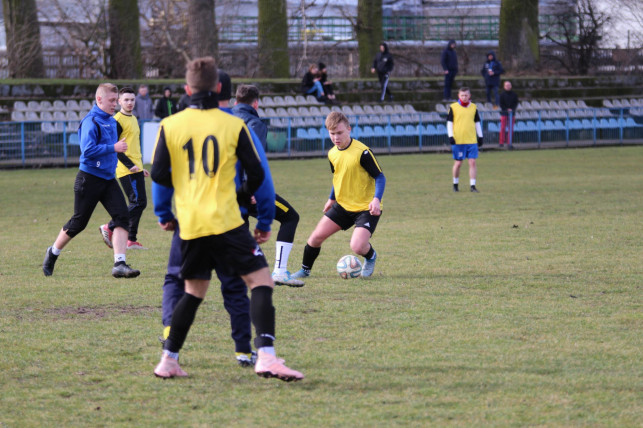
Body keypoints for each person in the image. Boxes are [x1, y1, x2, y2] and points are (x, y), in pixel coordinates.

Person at [151, 57, 303, 381]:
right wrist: (263, 220)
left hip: (191, 226)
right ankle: (266, 356)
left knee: (193, 291)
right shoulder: (234, 125)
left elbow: (160, 176)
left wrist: (164, 214)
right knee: (260, 281)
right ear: (219, 87)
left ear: (187, 89)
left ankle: (168, 360)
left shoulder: (170, 125)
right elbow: (259, 176)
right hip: (227, 223)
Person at [42, 83, 140, 279]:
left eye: (116, 100)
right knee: (79, 222)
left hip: (108, 179)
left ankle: (119, 264)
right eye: (111, 100)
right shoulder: (91, 121)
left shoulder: (111, 121)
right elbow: (87, 150)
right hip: (89, 179)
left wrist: (131, 165)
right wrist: (113, 148)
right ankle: (53, 252)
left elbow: (116, 149)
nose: (115, 104)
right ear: (99, 99)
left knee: (122, 217)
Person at [292, 111, 386, 280]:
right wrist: (331, 199)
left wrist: (376, 200)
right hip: (343, 205)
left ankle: (370, 256)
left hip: (366, 207)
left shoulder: (362, 152)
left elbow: (380, 177)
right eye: (332, 133)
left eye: (340, 132)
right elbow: (338, 177)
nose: (336, 137)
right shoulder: (332, 153)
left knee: (357, 247)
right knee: (315, 237)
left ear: (349, 129)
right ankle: (305, 271)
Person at [232, 84, 305, 287]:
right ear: (256, 104)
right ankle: (279, 272)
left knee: (240, 230)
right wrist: (251, 188)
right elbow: (253, 159)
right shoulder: (254, 124)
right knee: (290, 217)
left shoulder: (224, 120)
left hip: (224, 190)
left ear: (235, 101)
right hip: (247, 189)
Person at [99, 87, 149, 251]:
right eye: (126, 100)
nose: (129, 103)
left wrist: (140, 167)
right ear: (119, 101)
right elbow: (115, 147)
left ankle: (131, 239)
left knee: (140, 203)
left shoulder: (134, 118)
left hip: (136, 168)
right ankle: (110, 226)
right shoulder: (117, 121)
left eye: (132, 100)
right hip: (126, 170)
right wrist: (130, 165)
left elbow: (133, 145)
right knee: (137, 202)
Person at [447, 87, 484, 193]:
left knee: (472, 162)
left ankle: (473, 186)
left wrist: (480, 136)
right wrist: (451, 136)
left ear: (469, 95)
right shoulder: (453, 107)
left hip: (471, 140)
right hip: (458, 140)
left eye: (466, 95)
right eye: (462, 95)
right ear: (459, 96)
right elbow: (449, 123)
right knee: (458, 163)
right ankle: (455, 184)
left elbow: (477, 122)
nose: (464, 97)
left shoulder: (474, 107)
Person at [499, 80, 519, 148]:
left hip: (512, 114)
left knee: (511, 129)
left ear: (511, 86)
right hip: (504, 113)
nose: (508, 86)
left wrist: (512, 109)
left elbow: (515, 103)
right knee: (502, 128)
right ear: (504, 86)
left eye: (509, 85)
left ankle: (509, 143)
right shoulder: (502, 95)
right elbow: (501, 104)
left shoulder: (514, 95)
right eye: (506, 85)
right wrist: (506, 109)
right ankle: (501, 142)